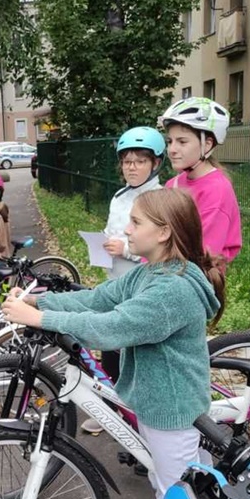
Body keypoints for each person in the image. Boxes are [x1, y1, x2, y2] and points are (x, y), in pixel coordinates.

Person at [2, 187, 225, 499]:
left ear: (163, 233)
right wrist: (38, 302)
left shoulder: (174, 289)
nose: (127, 229)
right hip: (155, 400)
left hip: (174, 407)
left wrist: (42, 320)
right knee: (168, 486)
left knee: (184, 498)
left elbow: (113, 327)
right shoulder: (149, 272)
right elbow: (99, 299)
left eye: (137, 222)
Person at [80, 126, 166, 436]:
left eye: (140, 161)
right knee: (111, 349)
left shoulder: (157, 198)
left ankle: (138, 416)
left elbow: (160, 243)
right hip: (115, 281)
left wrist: (126, 249)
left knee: (134, 352)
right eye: (127, 161)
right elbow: (114, 229)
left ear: (155, 164)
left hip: (141, 283)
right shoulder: (120, 196)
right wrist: (104, 243)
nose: (132, 167)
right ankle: (113, 409)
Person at [159, 97, 242, 266]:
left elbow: (203, 253)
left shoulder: (217, 190)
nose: (172, 149)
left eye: (182, 142)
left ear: (206, 145)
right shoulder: (173, 184)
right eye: (170, 141)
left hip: (194, 281)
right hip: (163, 273)